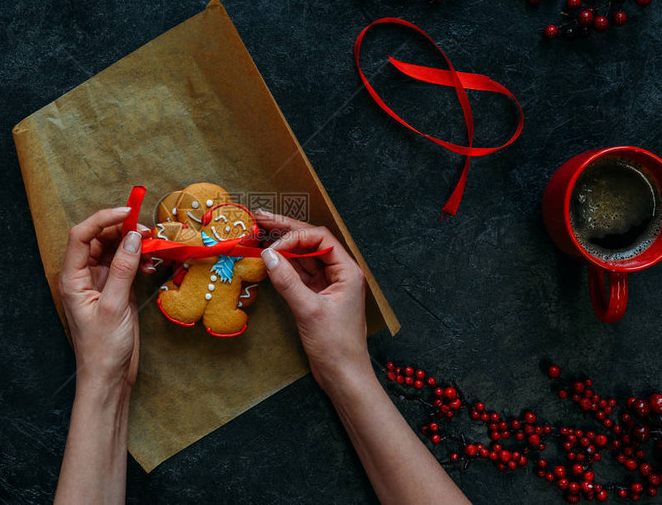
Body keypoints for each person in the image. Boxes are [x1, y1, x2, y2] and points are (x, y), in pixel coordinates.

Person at [53, 207, 471, 505]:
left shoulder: (249, 264)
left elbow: (252, 269)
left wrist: (104, 378)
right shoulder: (191, 230)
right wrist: (346, 369)